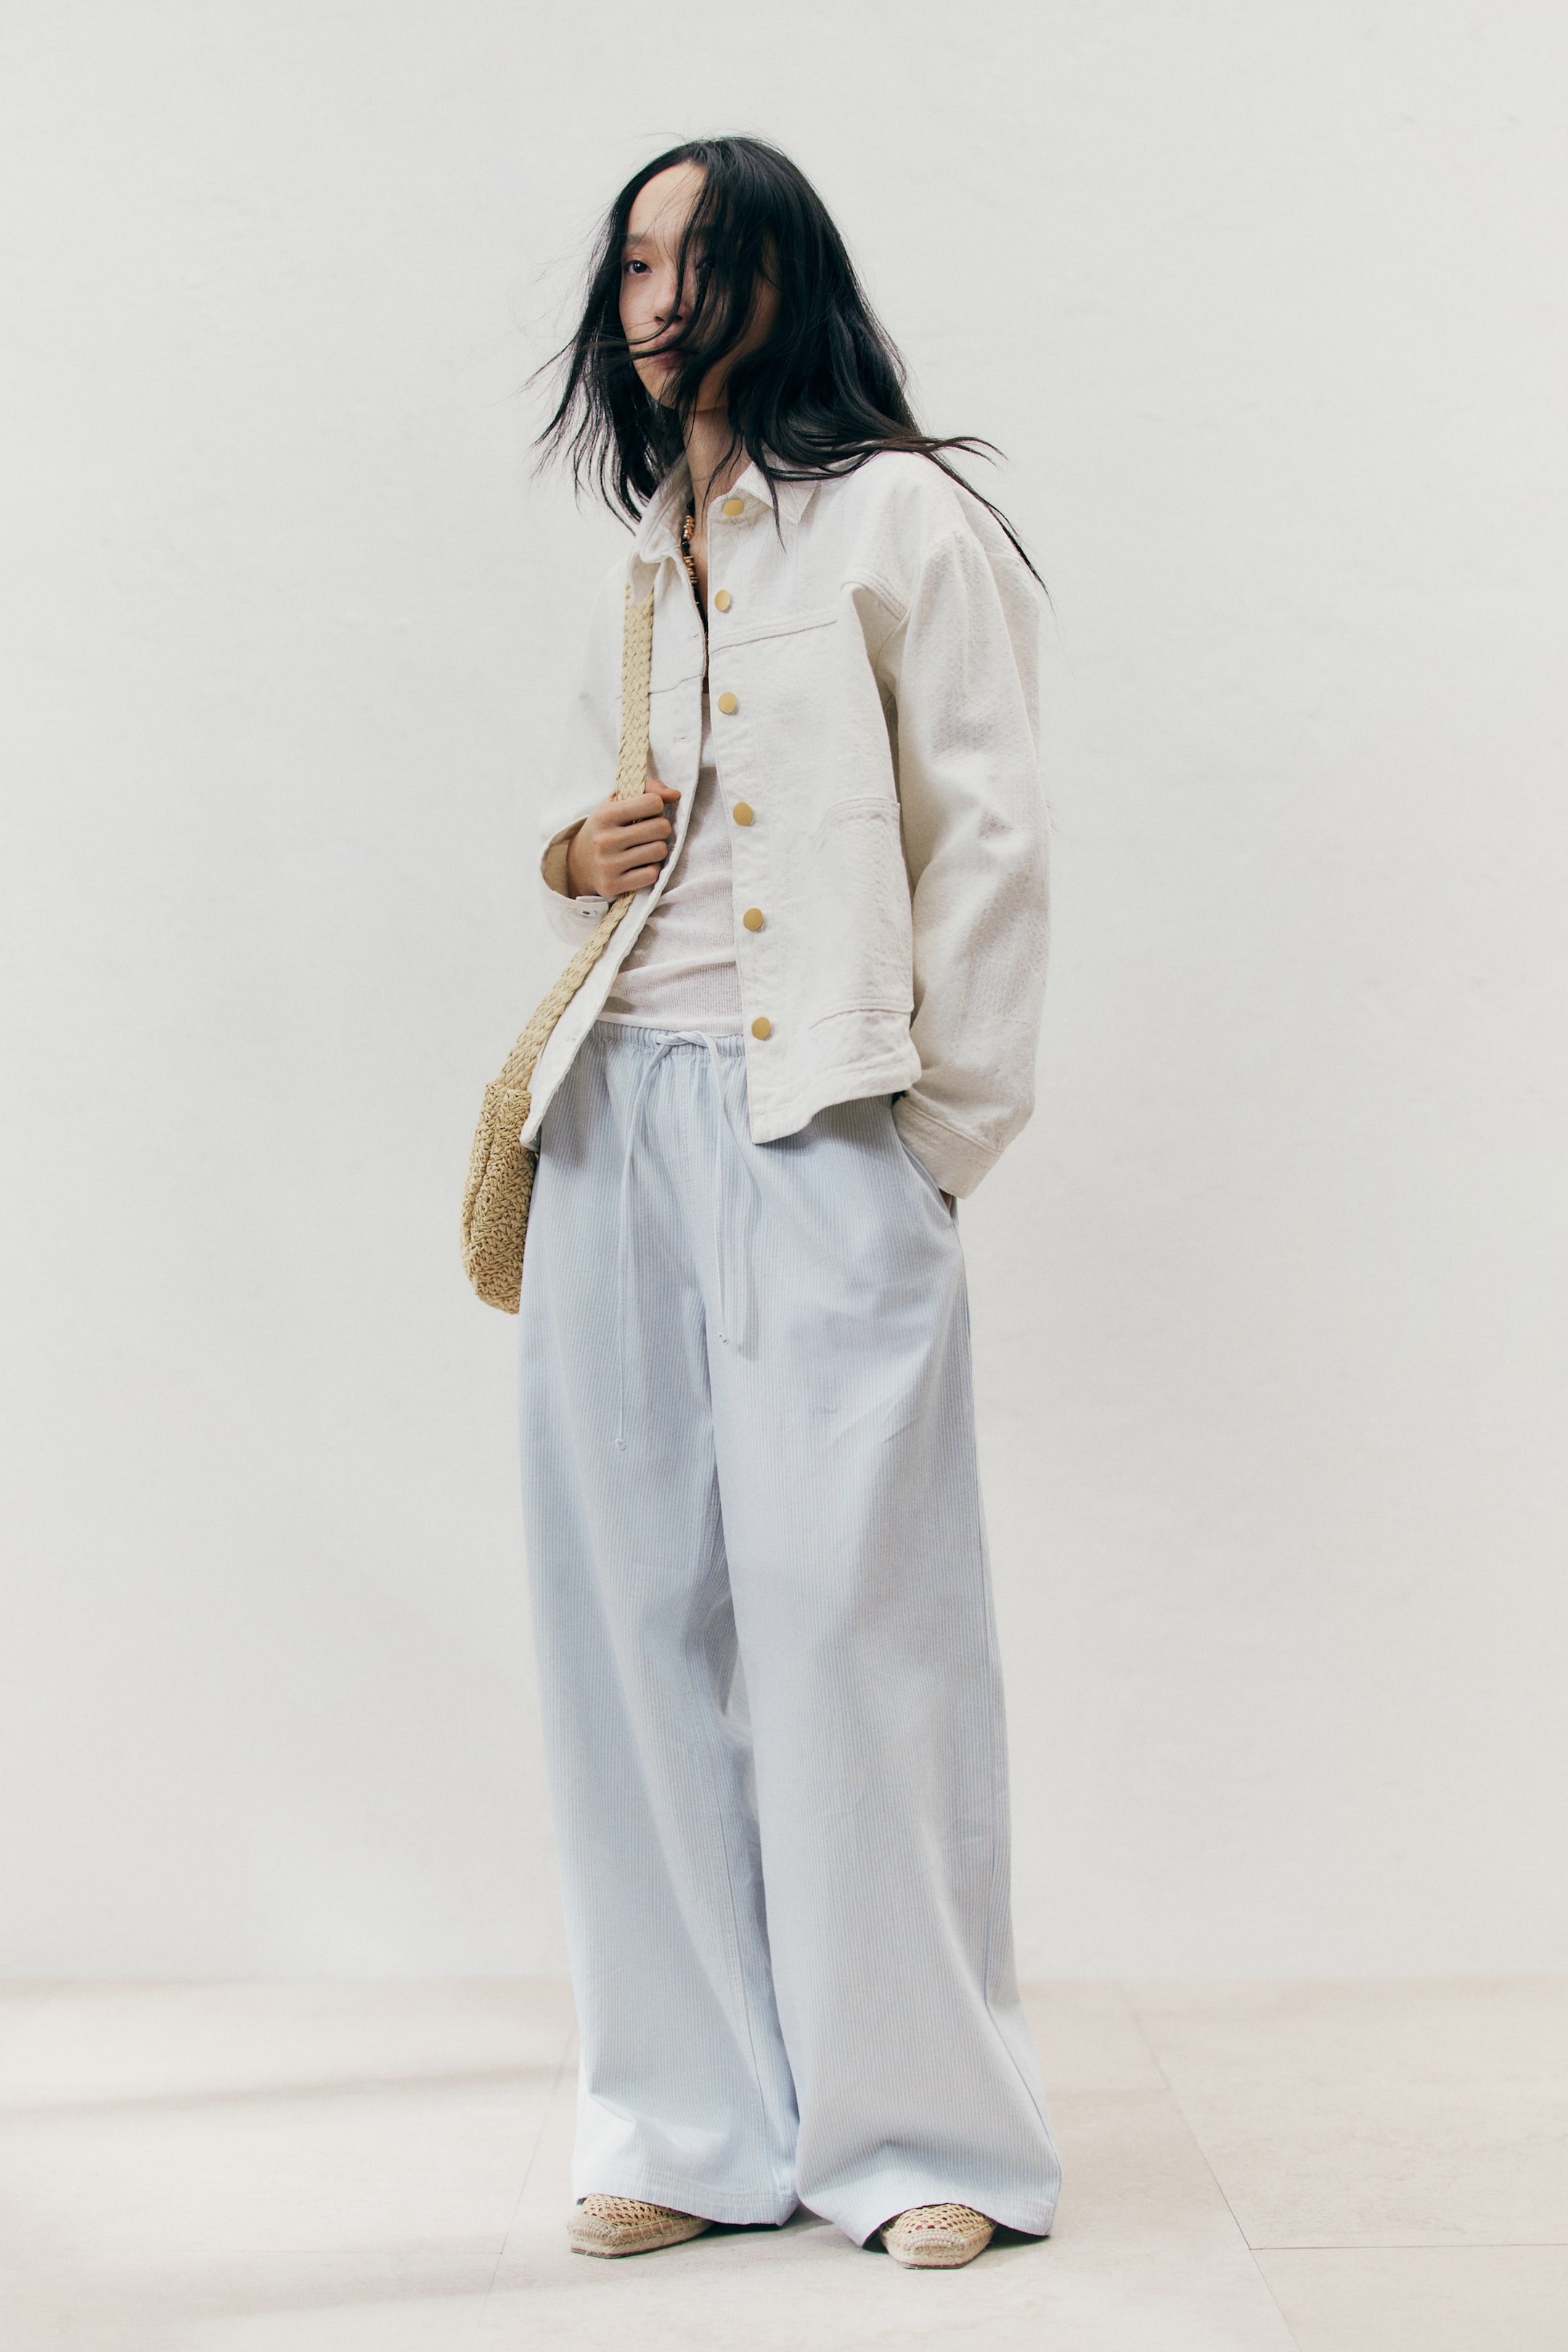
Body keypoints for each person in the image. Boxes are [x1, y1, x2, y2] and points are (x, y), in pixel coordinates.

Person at [518, 136, 1061, 2271]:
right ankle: (686, 2119)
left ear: (785, 279)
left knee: (860, 1624)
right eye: (635, 263)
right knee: (633, 1626)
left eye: (701, 260)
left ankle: (927, 2136)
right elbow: (619, 830)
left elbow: (989, 842)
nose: (659, 300)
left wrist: (939, 1139)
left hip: (822, 1116)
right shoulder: (641, 554)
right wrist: (567, 857)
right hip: (613, 1120)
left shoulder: (908, 518)